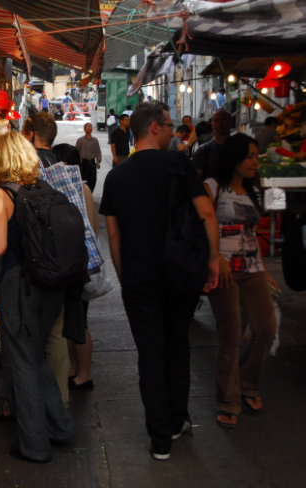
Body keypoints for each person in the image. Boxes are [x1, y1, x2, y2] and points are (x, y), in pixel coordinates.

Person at [100, 101, 221, 460]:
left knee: (150, 353)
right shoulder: (178, 165)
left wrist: (125, 277)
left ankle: (159, 440)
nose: (174, 132)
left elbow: (113, 234)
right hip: (180, 271)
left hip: (139, 277)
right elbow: (207, 211)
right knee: (176, 344)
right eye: (168, 126)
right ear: (154, 127)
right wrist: (213, 260)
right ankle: (177, 419)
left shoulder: (116, 176)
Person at [0, 131, 77, 463]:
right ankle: (61, 428)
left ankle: (34, 445)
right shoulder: (42, 186)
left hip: (19, 284)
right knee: (34, 357)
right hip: (53, 283)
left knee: (20, 361)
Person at [203, 133, 279, 429]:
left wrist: (267, 270)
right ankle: (228, 400)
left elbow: (252, 234)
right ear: (233, 157)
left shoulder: (255, 190)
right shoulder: (212, 187)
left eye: (256, 156)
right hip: (222, 268)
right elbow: (201, 225)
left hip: (253, 267)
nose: (254, 162)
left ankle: (248, 384)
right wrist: (214, 257)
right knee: (231, 333)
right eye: (248, 156)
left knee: (266, 329)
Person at [50, 143, 101, 390]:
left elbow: (90, 228)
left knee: (80, 321)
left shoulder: (78, 189)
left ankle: (85, 374)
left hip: (79, 265)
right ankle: (74, 368)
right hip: (77, 263)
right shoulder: (78, 188)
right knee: (72, 319)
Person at [193, 109, 232, 180]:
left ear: (231, 122)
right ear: (212, 124)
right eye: (216, 120)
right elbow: (195, 180)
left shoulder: (240, 147)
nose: (220, 123)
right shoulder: (203, 150)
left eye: (224, 119)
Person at [75, 122, 103, 191]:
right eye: (87, 127)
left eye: (90, 127)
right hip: (84, 163)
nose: (89, 128)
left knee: (93, 180)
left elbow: (98, 151)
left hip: (92, 163)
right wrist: (77, 163)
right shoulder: (80, 140)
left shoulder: (95, 140)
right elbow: (76, 152)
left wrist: (98, 162)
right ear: (84, 129)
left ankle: (90, 193)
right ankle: (85, 194)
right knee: (84, 180)